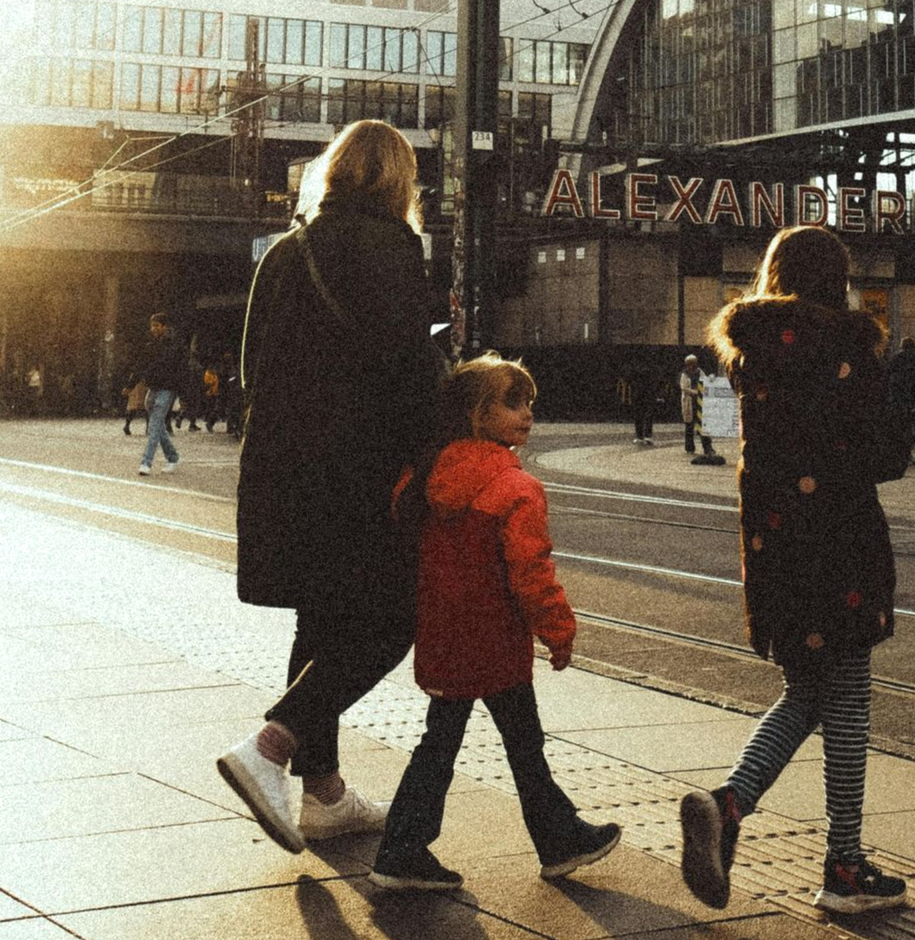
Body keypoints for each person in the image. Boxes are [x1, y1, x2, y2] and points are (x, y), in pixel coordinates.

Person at [215, 120, 444, 852]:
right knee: (389, 619)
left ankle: (325, 797)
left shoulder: (287, 250)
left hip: (283, 465)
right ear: (398, 181)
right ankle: (273, 746)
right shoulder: (393, 249)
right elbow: (410, 372)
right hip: (359, 470)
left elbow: (251, 370)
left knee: (319, 623)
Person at [678, 225, 912, 917]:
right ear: (835, 282)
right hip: (841, 540)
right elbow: (882, 454)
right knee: (848, 694)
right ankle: (842, 863)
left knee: (808, 690)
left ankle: (730, 806)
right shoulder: (849, 347)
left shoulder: (750, 354)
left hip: (777, 546)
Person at [370, 357, 622, 891]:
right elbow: (532, 570)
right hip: (497, 640)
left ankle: (409, 846)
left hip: (444, 633)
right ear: (477, 415)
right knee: (518, 745)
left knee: (450, 740)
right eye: (513, 402)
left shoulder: (425, 475)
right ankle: (549, 839)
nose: (527, 413)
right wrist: (558, 629)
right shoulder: (515, 487)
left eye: (529, 401)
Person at [135, 313, 187, 475]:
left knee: (155, 424)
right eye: (152, 326)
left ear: (165, 326)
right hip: (153, 388)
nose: (153, 329)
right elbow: (141, 366)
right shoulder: (151, 346)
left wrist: (183, 395)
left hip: (168, 389)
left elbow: (182, 371)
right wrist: (130, 384)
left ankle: (146, 462)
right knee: (158, 425)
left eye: (157, 326)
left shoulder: (176, 346)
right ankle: (173, 457)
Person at [679, 353, 720, 462]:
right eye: (690, 364)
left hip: (700, 402)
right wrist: (696, 392)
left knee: (702, 425)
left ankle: (707, 448)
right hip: (689, 402)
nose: (692, 366)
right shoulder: (684, 375)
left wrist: (710, 381)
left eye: (693, 364)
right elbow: (684, 388)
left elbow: (706, 380)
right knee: (689, 425)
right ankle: (689, 447)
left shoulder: (700, 372)